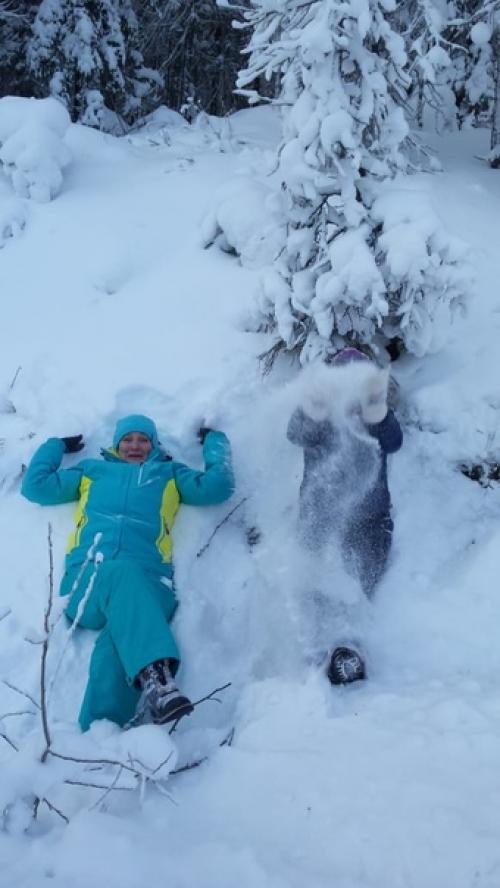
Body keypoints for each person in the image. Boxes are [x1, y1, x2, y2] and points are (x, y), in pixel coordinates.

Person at [21, 414, 234, 731]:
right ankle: (157, 678)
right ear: (116, 444)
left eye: (143, 439)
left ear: (154, 444)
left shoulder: (170, 474)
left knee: (117, 642)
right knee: (121, 574)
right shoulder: (92, 471)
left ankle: (102, 733)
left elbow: (218, 487)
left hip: (152, 586)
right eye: (128, 439)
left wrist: (216, 443)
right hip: (87, 583)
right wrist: (55, 447)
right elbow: (35, 487)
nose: (135, 446)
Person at [287, 348, 402, 686]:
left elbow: (394, 441)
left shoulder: (376, 420)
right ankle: (317, 646)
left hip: (368, 520)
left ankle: (348, 651)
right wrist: (315, 407)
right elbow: (296, 433)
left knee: (356, 582)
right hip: (317, 519)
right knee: (312, 580)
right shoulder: (320, 421)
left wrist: (376, 412)